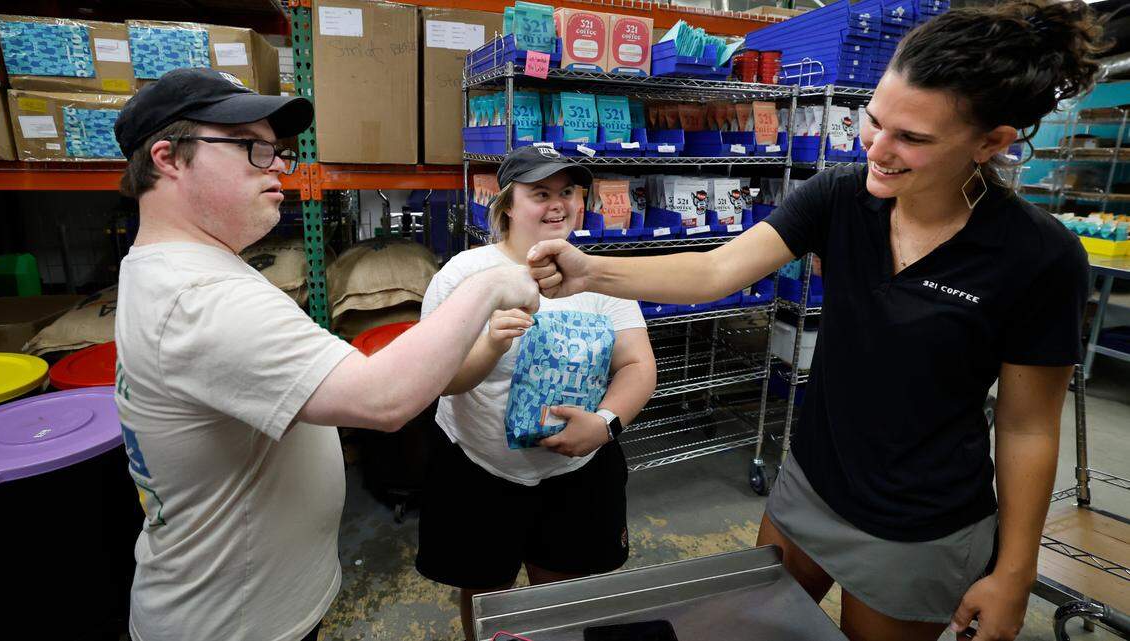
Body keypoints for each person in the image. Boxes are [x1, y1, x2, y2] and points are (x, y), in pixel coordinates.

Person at [526, 2, 1108, 640]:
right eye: (875, 121)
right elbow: (717, 271)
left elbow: (1028, 428)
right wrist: (591, 271)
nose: (877, 151)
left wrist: (1015, 572)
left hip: (919, 523)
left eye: (911, 139)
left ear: (991, 143)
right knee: (760, 626)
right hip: (809, 480)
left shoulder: (1039, 257)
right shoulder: (840, 195)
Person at [111, 68, 539, 641]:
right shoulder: (200, 298)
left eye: (277, 151)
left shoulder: (182, 267)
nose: (279, 166)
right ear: (168, 158)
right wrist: (489, 286)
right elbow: (383, 399)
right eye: (252, 149)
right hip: (233, 625)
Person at [415, 146, 657, 641]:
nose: (557, 205)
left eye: (567, 192)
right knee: (489, 597)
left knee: (557, 596)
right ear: (507, 204)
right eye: (540, 193)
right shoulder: (464, 275)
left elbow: (637, 364)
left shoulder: (598, 276)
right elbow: (438, 380)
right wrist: (490, 343)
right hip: (480, 468)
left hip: (576, 471)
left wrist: (606, 423)